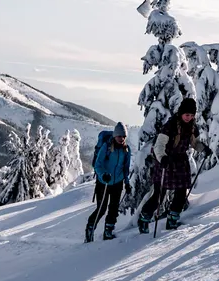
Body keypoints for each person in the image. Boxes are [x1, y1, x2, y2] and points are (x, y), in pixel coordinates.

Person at [137, 97, 201, 233]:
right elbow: (159, 146)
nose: (189, 118)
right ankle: (144, 218)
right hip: (166, 162)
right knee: (159, 196)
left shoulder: (191, 127)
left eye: (191, 115)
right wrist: (162, 158)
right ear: (181, 113)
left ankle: (172, 219)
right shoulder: (170, 126)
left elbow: (194, 143)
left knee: (181, 193)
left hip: (181, 163)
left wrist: (203, 149)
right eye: (186, 114)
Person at [86, 122, 131, 242]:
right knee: (101, 208)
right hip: (103, 182)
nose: (121, 139)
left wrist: (127, 182)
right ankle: (90, 229)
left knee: (114, 209)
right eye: (119, 136)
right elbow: (97, 164)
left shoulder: (126, 149)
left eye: (123, 136)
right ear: (115, 136)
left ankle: (108, 231)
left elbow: (126, 168)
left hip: (118, 183)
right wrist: (103, 174)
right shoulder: (106, 147)